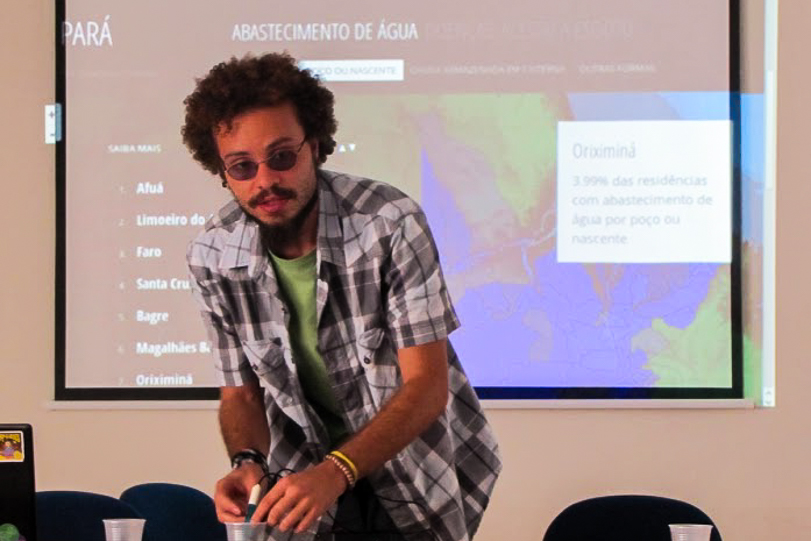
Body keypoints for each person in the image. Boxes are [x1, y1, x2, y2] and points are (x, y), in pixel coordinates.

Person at [182, 52, 501, 541]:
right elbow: (242, 393)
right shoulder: (213, 254)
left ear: (316, 145)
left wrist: (337, 471)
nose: (264, 181)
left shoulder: (388, 222)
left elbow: (426, 386)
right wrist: (246, 460)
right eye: (242, 167)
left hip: (414, 472)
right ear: (221, 171)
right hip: (302, 486)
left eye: (282, 157)